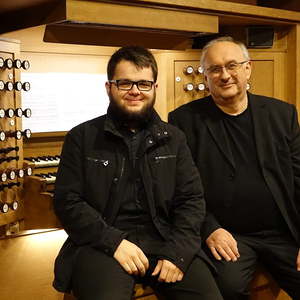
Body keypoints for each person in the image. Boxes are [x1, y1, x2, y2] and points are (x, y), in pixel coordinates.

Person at [52, 45, 223, 300]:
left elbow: (192, 200)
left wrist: (178, 252)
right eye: (125, 83)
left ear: (154, 88)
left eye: (144, 83)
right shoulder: (81, 137)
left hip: (165, 239)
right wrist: (114, 243)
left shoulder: (174, 138)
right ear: (109, 87)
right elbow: (68, 202)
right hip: (103, 243)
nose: (135, 91)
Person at [169, 36, 300, 300]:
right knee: (227, 289)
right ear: (205, 76)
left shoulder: (282, 115)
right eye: (215, 69)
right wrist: (210, 229)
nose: (225, 75)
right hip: (229, 235)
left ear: (248, 68)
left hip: (282, 231)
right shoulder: (184, 121)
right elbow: (182, 190)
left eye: (232, 66)